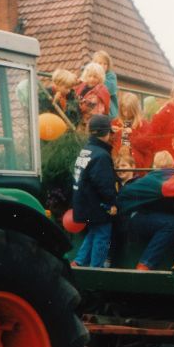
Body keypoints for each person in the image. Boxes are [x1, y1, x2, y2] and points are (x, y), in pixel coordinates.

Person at [117, 151, 174, 271]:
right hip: (133, 219)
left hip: (139, 218)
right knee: (173, 224)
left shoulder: (151, 179)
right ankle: (145, 264)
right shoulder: (156, 180)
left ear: (154, 166)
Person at [71, 114, 117, 268]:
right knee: (102, 235)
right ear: (106, 133)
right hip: (96, 205)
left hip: (83, 202)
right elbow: (104, 184)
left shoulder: (86, 150)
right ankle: (96, 270)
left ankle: (78, 262)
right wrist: (112, 203)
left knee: (93, 232)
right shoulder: (102, 155)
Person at [112, 92, 153, 172]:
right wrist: (111, 132)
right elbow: (110, 144)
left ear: (134, 110)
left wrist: (133, 133)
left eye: (129, 111)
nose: (126, 114)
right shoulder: (116, 123)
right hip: (118, 166)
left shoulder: (143, 124)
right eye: (124, 110)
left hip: (137, 168)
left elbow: (148, 146)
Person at [75, 62, 110, 129]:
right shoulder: (82, 86)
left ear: (100, 78)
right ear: (86, 76)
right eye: (89, 76)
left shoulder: (100, 90)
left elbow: (100, 108)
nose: (92, 79)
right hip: (79, 118)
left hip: (91, 121)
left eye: (95, 77)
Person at [92, 50, 119, 120]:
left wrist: (99, 77)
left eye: (105, 64)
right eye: (100, 63)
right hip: (93, 105)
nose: (102, 66)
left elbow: (110, 89)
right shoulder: (91, 74)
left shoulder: (111, 75)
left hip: (109, 108)